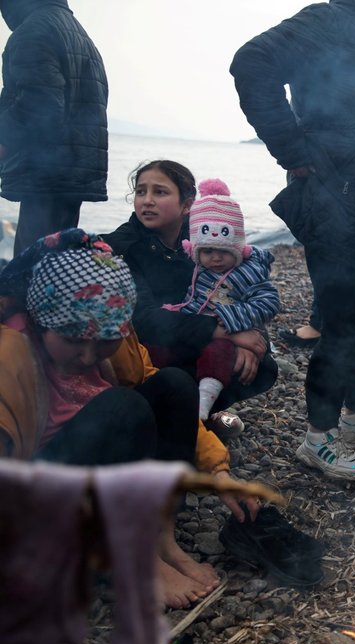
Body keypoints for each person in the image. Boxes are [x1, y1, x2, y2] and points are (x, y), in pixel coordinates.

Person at [0, 229, 259, 609]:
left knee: (173, 384)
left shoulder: (116, 343)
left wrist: (217, 472)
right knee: (121, 407)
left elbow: (160, 389)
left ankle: (160, 538)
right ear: (41, 321)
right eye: (73, 339)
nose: (88, 355)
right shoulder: (9, 358)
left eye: (104, 339)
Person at [231, 0, 355, 480]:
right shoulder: (327, 20)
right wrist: (292, 149)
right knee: (342, 322)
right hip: (342, 202)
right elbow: (251, 63)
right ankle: (317, 437)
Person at [102, 161, 278, 439]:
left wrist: (252, 338)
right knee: (179, 376)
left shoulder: (205, 236)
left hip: (190, 338)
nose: (146, 201)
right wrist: (225, 333)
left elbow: (240, 288)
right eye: (140, 192)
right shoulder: (123, 247)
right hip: (146, 351)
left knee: (263, 365)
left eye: (159, 192)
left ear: (187, 205)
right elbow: (144, 319)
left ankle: (198, 413)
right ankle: (171, 420)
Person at [161, 179, 280, 421]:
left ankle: (203, 407)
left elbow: (269, 301)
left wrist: (230, 318)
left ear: (238, 248)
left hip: (226, 332)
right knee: (160, 350)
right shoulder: (196, 268)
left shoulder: (248, 272)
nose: (215, 258)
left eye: (224, 251)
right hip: (194, 329)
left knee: (219, 353)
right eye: (207, 252)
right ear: (195, 250)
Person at [0, 0, 108, 255]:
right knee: (53, 266)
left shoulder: (34, 31)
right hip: (72, 172)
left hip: (46, 174)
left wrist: (3, 144)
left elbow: (38, 105)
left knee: (30, 271)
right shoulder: (77, 33)